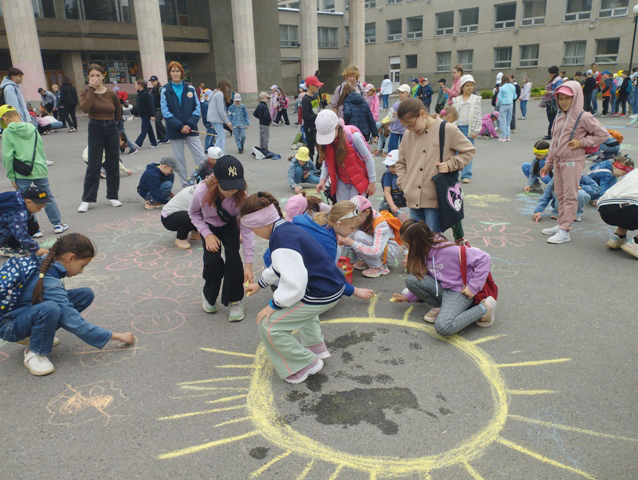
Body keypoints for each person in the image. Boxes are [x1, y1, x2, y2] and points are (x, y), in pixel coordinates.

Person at [241, 192, 374, 384]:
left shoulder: (281, 240)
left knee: (269, 325)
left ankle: (304, 363)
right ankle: (315, 347)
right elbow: (280, 266)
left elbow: (295, 283)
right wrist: (260, 284)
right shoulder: (285, 228)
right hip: (332, 286)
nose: (254, 233)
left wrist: (274, 304)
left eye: (253, 229)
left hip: (322, 293)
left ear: (262, 224)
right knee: (303, 310)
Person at [0, 233, 135, 376]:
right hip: (9, 326)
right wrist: (118, 336)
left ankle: (37, 335)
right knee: (51, 308)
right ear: (70, 258)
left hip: (20, 314)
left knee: (85, 295)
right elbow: (75, 322)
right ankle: (35, 352)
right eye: (82, 265)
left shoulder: (47, 262)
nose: (81, 271)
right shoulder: (50, 283)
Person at [392, 220, 495, 333]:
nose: (406, 249)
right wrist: (410, 296)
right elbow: (426, 276)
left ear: (415, 244)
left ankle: (484, 309)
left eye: (407, 246)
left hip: (460, 292)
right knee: (411, 280)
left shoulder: (447, 250)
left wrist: (473, 287)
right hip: (442, 288)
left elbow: (484, 258)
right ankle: (441, 307)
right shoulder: (423, 251)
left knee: (444, 327)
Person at [539, 81, 608, 244]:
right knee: (560, 195)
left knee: (570, 196)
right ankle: (561, 224)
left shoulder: (584, 116)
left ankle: (565, 231)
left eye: (567, 98)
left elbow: (602, 135)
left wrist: (582, 142)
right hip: (558, 161)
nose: (563, 102)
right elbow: (555, 142)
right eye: (560, 98)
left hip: (572, 162)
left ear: (575, 98)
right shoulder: (559, 116)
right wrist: (548, 163)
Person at [188, 156, 254, 322]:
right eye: (227, 188)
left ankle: (235, 299)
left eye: (236, 186)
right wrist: (206, 233)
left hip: (230, 225)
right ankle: (209, 295)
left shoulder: (242, 196)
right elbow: (193, 214)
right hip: (209, 226)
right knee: (212, 261)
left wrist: (249, 264)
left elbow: (246, 230)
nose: (232, 191)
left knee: (233, 257)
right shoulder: (201, 191)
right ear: (216, 180)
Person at [395, 98, 475, 233]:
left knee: (434, 241)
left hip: (435, 198)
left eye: (411, 124)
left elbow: (469, 150)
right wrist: (404, 183)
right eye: (406, 127)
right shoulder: (408, 134)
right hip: (413, 196)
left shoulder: (447, 129)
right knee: (416, 240)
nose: (410, 129)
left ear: (422, 114)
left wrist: (451, 164)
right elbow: (401, 163)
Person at [1, 105, 68, 236]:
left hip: (21, 172)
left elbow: (8, 156)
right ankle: (57, 224)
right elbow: (40, 148)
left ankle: (34, 229)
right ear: (18, 115)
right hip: (38, 167)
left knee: (25, 201)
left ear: (4, 118)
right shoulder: (32, 127)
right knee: (46, 196)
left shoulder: (7, 133)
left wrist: (11, 176)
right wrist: (42, 165)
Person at [78, 64, 123, 213]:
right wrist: (91, 89)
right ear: (88, 78)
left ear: (103, 76)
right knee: (94, 164)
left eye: (98, 75)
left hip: (111, 127)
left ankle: (112, 196)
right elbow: (85, 108)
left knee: (112, 163)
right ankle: (87, 199)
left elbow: (118, 112)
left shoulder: (111, 94)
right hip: (95, 128)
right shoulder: (85, 92)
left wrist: (113, 125)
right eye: (92, 76)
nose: (95, 78)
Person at [161, 61, 206, 188]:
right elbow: (165, 112)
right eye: (173, 71)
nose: (175, 73)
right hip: (175, 130)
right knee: (179, 160)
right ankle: (185, 186)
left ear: (182, 73)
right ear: (169, 73)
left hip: (191, 129)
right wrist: (180, 126)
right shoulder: (165, 90)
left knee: (201, 157)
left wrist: (189, 125)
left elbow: (197, 109)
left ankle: (202, 181)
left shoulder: (190, 88)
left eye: (178, 71)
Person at [315, 110, 376, 202]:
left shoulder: (354, 137)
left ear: (337, 127)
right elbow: (327, 163)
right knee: (343, 210)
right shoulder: (329, 144)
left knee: (355, 210)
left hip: (358, 182)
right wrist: (322, 180)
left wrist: (372, 183)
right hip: (342, 182)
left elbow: (368, 159)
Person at [599, 167, 638, 258]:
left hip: (605, 208)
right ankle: (636, 243)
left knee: (631, 203)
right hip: (629, 208)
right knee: (631, 205)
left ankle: (618, 237)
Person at [0, 187, 50, 257]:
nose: (40, 210)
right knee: (19, 227)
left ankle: (8, 244)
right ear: (28, 202)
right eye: (38, 207)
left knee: (32, 225)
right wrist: (37, 249)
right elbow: (20, 233)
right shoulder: (18, 211)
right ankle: (7, 248)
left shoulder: (20, 197)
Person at [533, 174, 600, 223]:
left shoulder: (581, 176)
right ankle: (558, 212)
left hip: (574, 199)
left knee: (581, 193)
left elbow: (596, 189)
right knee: (559, 190)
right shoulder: (557, 176)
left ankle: (576, 213)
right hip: (560, 205)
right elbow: (546, 195)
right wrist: (537, 211)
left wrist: (581, 187)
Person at [452, 75, 482, 182]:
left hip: (469, 129)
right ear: (462, 87)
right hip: (458, 128)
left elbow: (478, 115)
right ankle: (454, 174)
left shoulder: (476, 100)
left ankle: (466, 175)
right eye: (467, 86)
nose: (470, 88)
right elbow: (454, 114)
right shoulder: (457, 100)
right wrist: (453, 128)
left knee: (468, 152)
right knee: (456, 152)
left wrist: (475, 130)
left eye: (471, 86)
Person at [161, 185, 199, 250]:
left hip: (176, 214)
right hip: (169, 218)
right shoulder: (200, 194)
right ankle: (181, 239)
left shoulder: (198, 189)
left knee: (197, 213)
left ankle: (195, 232)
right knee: (190, 216)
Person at [207, 79, 233, 153]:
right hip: (216, 118)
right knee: (221, 137)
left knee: (219, 136)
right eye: (227, 87)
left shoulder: (214, 93)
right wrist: (227, 122)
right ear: (225, 86)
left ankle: (217, 152)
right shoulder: (220, 94)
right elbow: (221, 110)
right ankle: (220, 154)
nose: (228, 89)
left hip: (212, 118)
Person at [302, 76, 323, 162]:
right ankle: (310, 167)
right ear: (311, 86)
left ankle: (318, 167)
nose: (318, 88)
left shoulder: (315, 97)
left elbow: (316, 110)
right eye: (316, 86)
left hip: (317, 126)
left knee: (321, 148)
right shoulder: (306, 99)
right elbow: (306, 116)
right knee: (310, 149)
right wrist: (318, 115)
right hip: (310, 128)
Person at [133, 80, 158, 149]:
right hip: (142, 114)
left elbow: (150, 105)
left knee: (144, 129)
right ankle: (154, 143)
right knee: (149, 129)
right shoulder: (139, 94)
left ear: (140, 85)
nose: (135, 86)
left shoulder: (146, 94)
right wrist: (134, 114)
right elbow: (138, 105)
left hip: (146, 114)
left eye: (135, 84)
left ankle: (138, 143)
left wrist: (152, 115)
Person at [387, 84, 411, 151]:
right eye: (399, 92)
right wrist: (394, 116)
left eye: (402, 92)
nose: (400, 94)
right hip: (395, 130)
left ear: (408, 93)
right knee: (392, 149)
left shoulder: (411, 104)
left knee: (406, 149)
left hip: (407, 130)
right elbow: (390, 116)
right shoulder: (396, 105)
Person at [543, 66, 563, 140]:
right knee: (551, 118)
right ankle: (550, 133)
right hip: (549, 100)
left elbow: (558, 90)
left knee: (552, 118)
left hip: (553, 100)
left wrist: (550, 92)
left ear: (553, 73)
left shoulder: (558, 80)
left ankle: (551, 134)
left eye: (550, 73)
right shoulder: (554, 79)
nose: (549, 75)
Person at [496, 76, 516, 142]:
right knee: (508, 121)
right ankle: (508, 136)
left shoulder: (501, 88)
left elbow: (499, 99)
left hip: (503, 105)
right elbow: (514, 96)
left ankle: (503, 136)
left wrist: (497, 105)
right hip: (510, 104)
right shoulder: (513, 86)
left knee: (502, 121)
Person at [149, 75, 168, 143]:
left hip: (161, 107)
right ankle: (160, 137)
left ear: (157, 81)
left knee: (158, 121)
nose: (152, 82)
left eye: (153, 81)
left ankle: (166, 136)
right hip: (155, 108)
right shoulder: (152, 90)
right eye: (151, 81)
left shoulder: (160, 89)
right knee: (156, 123)